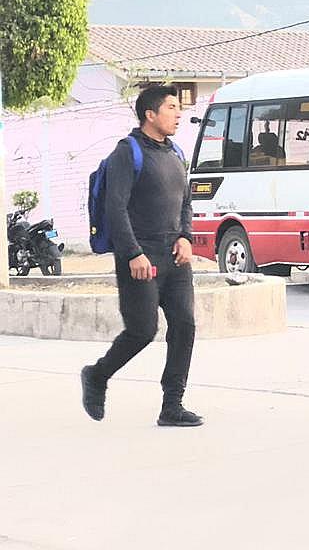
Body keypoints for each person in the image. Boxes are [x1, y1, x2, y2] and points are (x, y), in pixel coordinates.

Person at [80, 85, 202, 427]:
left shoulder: (175, 152)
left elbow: (186, 202)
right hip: (141, 258)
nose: (178, 114)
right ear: (150, 114)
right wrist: (133, 253)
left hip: (174, 258)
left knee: (184, 326)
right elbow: (115, 208)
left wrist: (186, 237)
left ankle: (172, 406)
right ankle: (97, 375)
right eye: (171, 107)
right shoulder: (127, 153)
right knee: (143, 330)